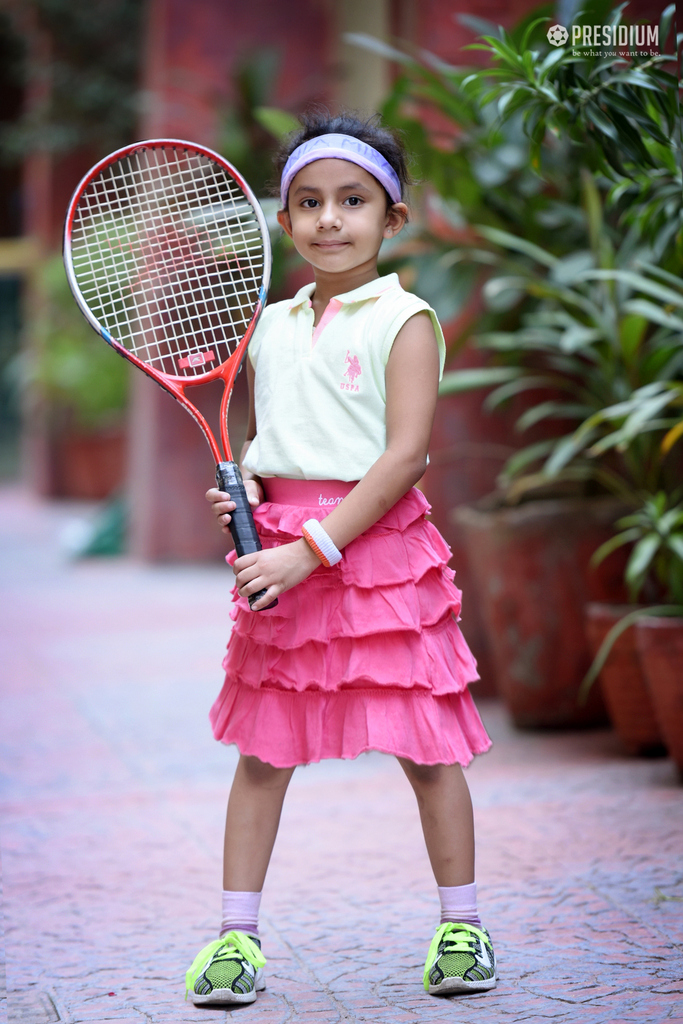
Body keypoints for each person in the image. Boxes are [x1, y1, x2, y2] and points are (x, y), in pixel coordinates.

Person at [185, 112, 496, 1006]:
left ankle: (462, 929)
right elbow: (269, 440)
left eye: (351, 201)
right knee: (260, 755)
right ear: (284, 221)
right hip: (281, 555)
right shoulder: (271, 325)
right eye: (308, 202)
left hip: (377, 559)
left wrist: (310, 551)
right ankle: (236, 941)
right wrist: (242, 495)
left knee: (429, 753)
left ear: (391, 219)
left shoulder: (406, 318)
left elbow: (403, 458)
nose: (329, 219)